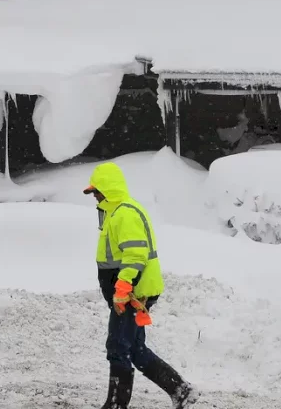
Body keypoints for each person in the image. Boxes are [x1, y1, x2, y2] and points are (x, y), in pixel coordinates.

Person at [84, 162, 198, 409]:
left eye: (96, 190)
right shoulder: (116, 212)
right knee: (134, 348)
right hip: (133, 291)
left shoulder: (124, 213)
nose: (94, 195)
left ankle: (116, 405)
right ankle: (181, 390)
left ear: (107, 189)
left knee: (118, 347)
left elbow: (136, 255)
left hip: (133, 293)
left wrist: (123, 290)